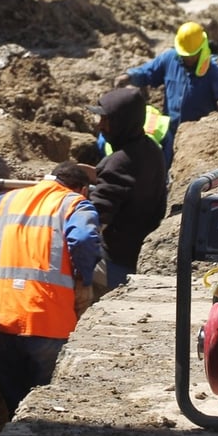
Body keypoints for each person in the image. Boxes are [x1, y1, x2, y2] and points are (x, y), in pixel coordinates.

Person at [0, 162, 101, 416]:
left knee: (15, 407)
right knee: (48, 410)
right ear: (82, 189)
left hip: (3, 322)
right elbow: (84, 239)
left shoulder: (8, 201)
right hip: (50, 323)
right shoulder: (76, 204)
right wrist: (83, 277)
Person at [114, 21, 218, 170]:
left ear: (202, 48)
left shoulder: (212, 71)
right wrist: (130, 75)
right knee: (164, 168)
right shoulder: (170, 58)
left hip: (197, 137)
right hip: (169, 131)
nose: (186, 59)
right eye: (183, 55)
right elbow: (148, 72)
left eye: (190, 55)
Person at [87, 87, 167, 294]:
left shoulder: (119, 163)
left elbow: (96, 217)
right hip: (138, 251)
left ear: (122, 122)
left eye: (106, 120)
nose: (100, 126)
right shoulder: (151, 149)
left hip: (116, 261)